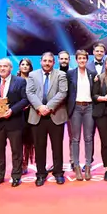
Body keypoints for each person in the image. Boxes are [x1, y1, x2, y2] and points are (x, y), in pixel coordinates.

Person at [0, 58, 29, 188]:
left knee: (16, 151)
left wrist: (12, 111)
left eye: (5, 66)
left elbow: (25, 99)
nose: (2, 68)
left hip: (14, 121)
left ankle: (16, 176)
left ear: (11, 68)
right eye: (0, 66)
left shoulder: (20, 81)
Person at [26, 52, 68, 186]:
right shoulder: (32, 75)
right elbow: (29, 92)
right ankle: (40, 174)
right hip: (37, 115)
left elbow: (63, 92)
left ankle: (58, 173)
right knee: (39, 147)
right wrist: (39, 107)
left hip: (55, 114)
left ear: (54, 63)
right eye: (45, 61)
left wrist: (48, 107)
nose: (47, 63)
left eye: (50, 61)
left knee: (57, 147)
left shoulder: (61, 75)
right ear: (40, 61)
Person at [66, 50, 97, 180]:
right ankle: (77, 166)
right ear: (76, 60)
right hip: (76, 108)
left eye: (84, 58)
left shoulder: (92, 74)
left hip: (89, 107)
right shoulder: (70, 74)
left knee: (88, 138)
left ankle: (88, 166)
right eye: (80, 58)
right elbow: (67, 92)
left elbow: (94, 92)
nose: (82, 60)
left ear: (87, 59)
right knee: (75, 139)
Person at [17, 58, 35, 174]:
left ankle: (25, 163)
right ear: (19, 67)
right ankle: (19, 162)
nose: (24, 66)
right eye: (22, 64)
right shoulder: (14, 79)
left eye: (27, 64)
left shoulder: (34, 80)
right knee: (18, 139)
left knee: (29, 140)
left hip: (31, 111)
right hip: (18, 112)